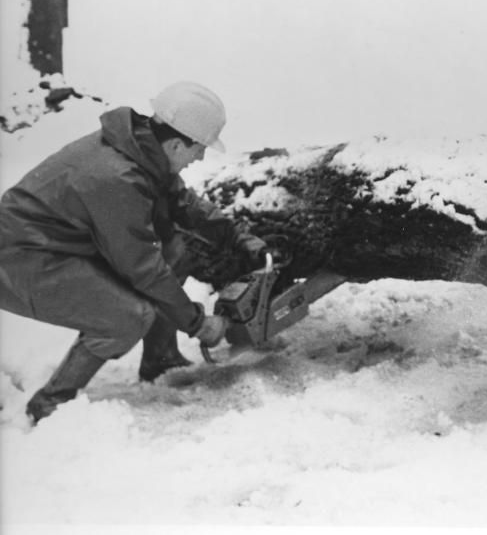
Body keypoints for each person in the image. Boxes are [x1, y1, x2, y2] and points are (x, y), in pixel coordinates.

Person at [0, 81, 279, 423]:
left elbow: (184, 203)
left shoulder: (143, 151)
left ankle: (159, 358)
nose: (201, 157)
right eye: (200, 148)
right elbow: (143, 269)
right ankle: (50, 405)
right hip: (20, 259)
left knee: (179, 250)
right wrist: (197, 323)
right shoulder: (116, 177)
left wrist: (239, 238)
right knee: (129, 317)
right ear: (177, 144)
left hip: (56, 246)